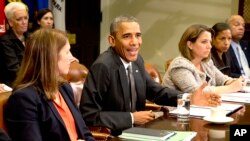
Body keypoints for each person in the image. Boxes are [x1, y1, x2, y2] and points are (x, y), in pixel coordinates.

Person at [79, 15, 221, 136]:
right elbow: (89, 115)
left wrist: (188, 98)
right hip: (115, 135)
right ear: (112, 40)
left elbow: (155, 91)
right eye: (127, 36)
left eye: (138, 35)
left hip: (140, 131)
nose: (135, 42)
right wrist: (131, 118)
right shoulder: (103, 66)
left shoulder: (137, 60)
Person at [4, 28, 95, 141]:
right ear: (50, 57)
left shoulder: (64, 87)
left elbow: (85, 133)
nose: (72, 58)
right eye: (67, 52)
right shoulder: (23, 99)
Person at [162, 24, 244, 94]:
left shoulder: (206, 62)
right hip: (173, 111)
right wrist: (231, 88)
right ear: (190, 44)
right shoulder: (179, 65)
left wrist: (235, 82)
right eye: (204, 42)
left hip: (200, 109)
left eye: (210, 42)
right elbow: (197, 92)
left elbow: (222, 79)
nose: (209, 46)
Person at [0, 2, 29, 86]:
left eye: (26, 18)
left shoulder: (31, 37)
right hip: (15, 84)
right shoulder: (5, 41)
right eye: (19, 19)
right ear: (10, 22)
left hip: (31, 81)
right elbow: (15, 70)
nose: (24, 22)